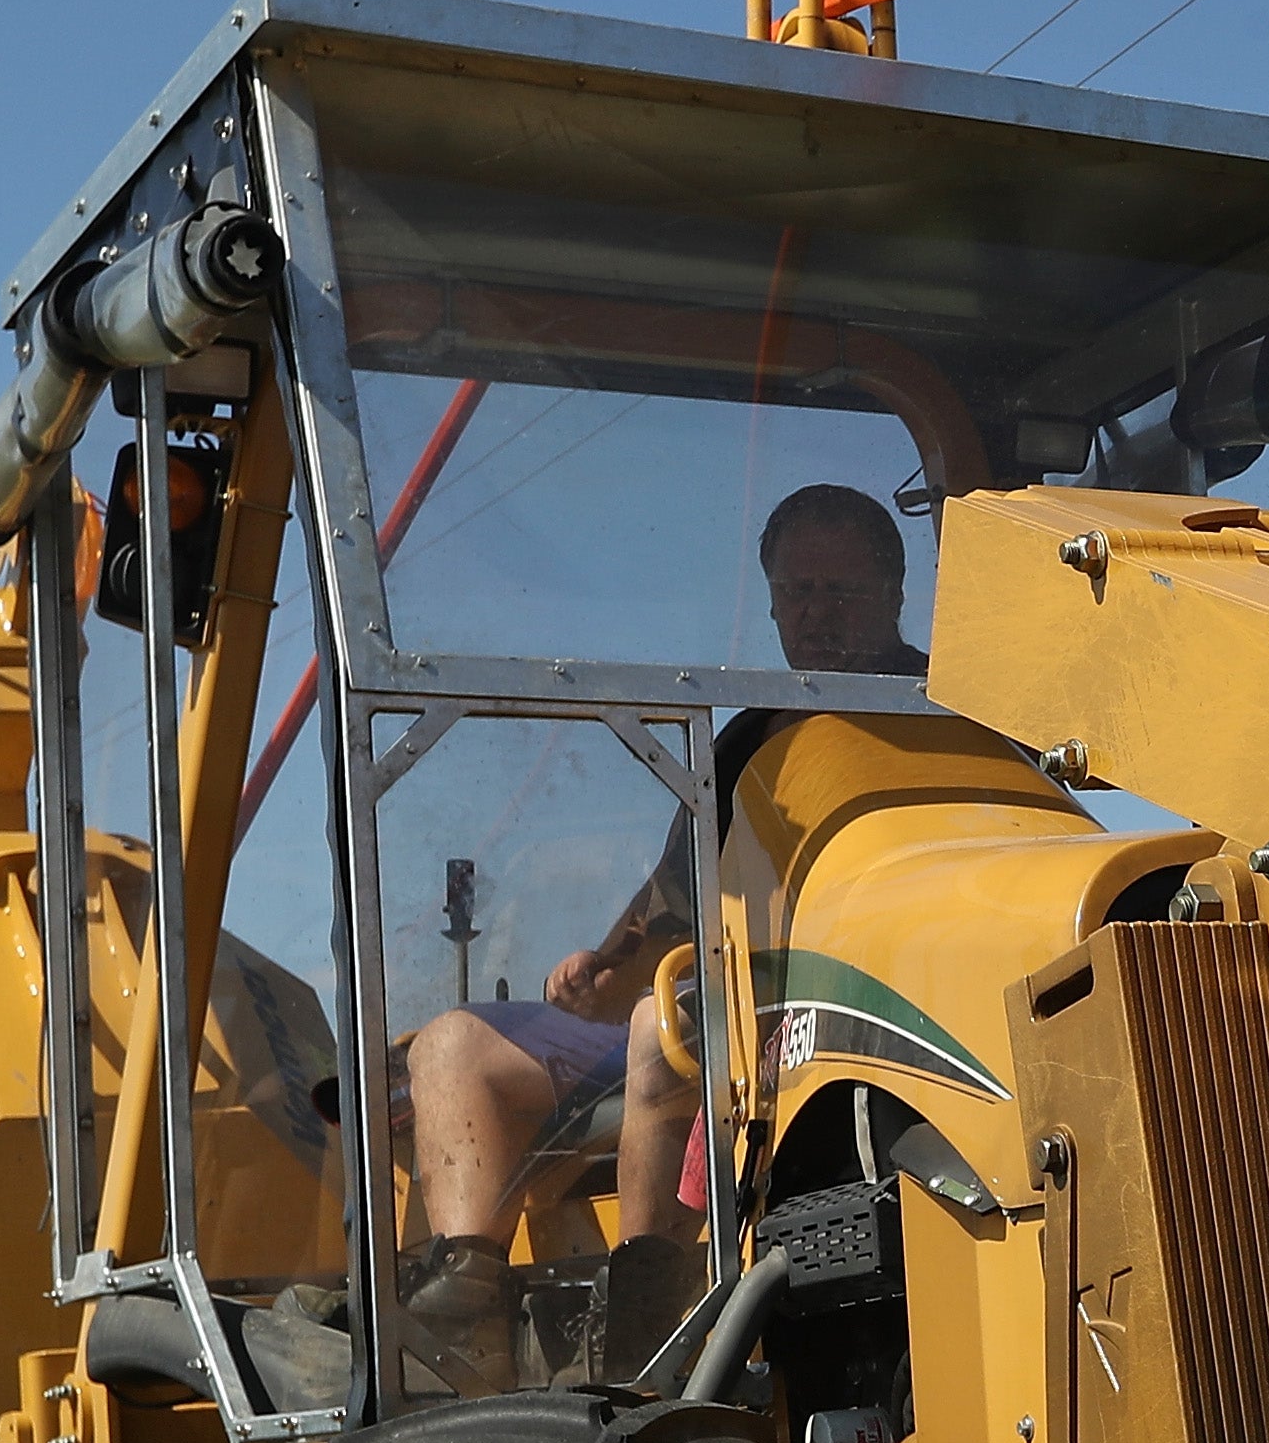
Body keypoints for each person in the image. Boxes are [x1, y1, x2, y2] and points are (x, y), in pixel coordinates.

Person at [392, 486, 916, 1390]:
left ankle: (645, 1324)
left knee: (658, 1029)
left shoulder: (951, 721)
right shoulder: (747, 743)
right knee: (450, 1048)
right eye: (797, 594)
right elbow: (669, 909)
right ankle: (464, 1323)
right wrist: (601, 969)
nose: (817, 616)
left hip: (837, 1006)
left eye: (842, 593)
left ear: (897, 594)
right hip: (710, 1004)